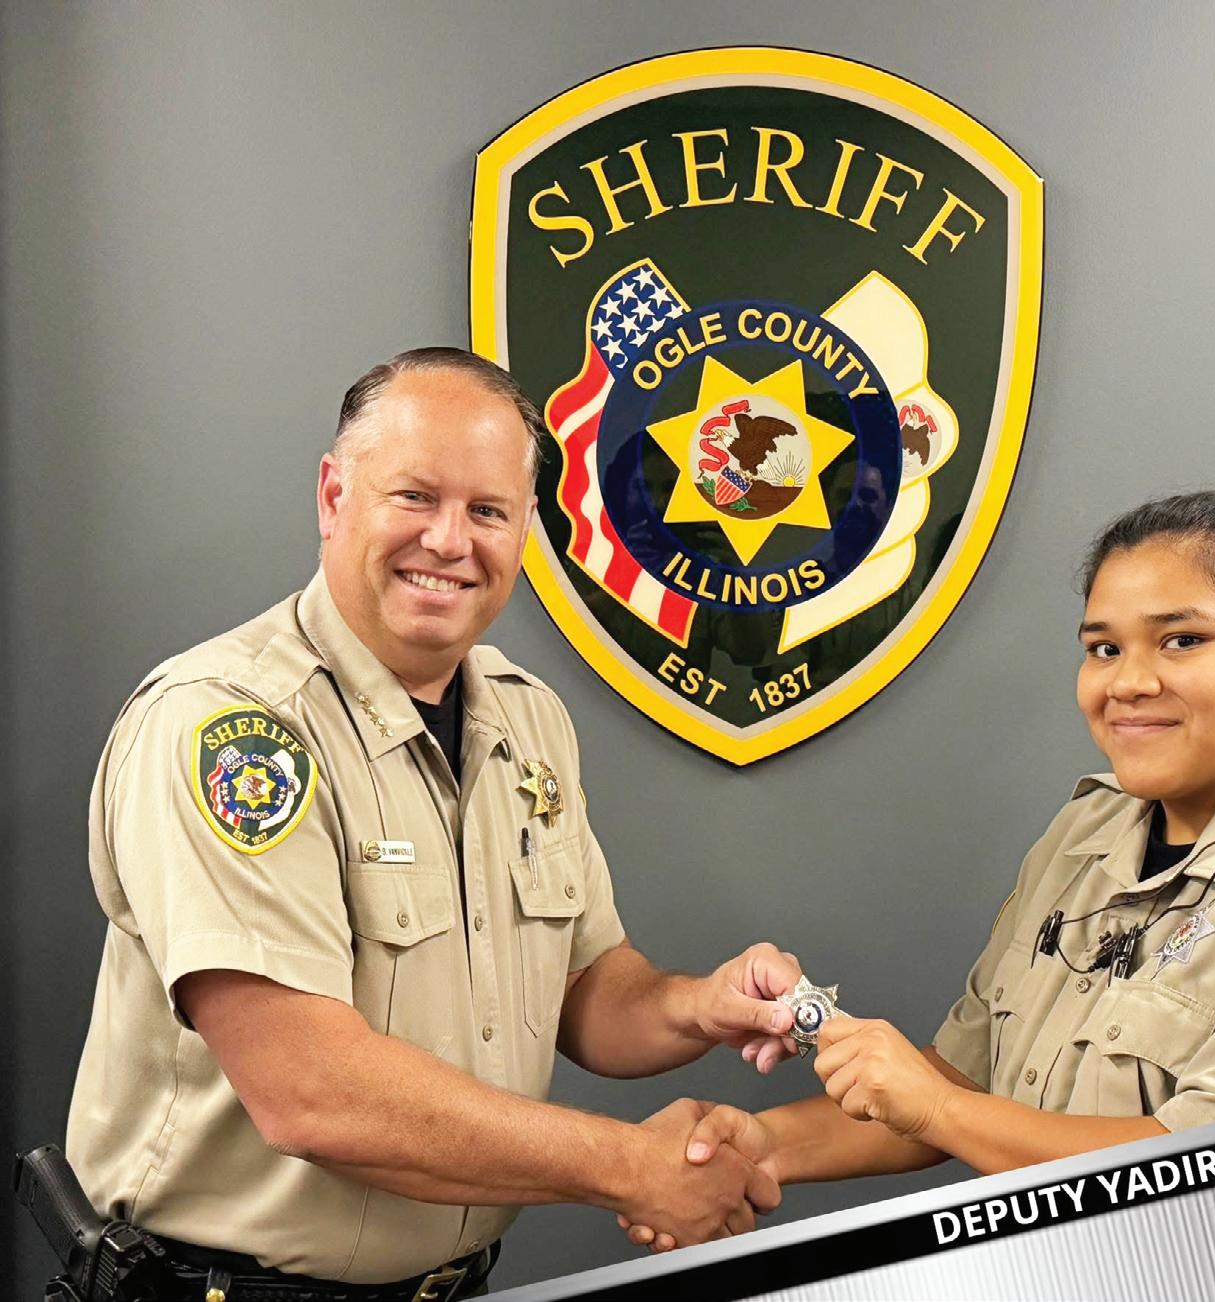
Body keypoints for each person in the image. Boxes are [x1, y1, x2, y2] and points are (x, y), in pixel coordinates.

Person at [65, 348, 805, 1299]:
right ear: (334, 497)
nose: (450, 541)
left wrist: (696, 1006)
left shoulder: (527, 719)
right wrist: (631, 1165)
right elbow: (308, 1090)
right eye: (414, 497)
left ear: (526, 529)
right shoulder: (231, 730)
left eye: (488, 511)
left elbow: (586, 989)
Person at [620, 490, 1215, 1251]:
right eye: (1103, 648)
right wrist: (763, 1147)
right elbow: (970, 1075)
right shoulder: (1087, 833)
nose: (1129, 682)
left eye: (1183, 639)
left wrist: (939, 1106)